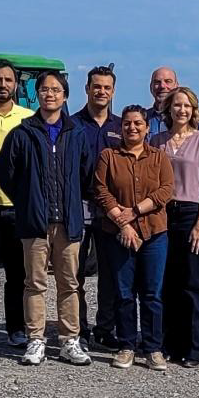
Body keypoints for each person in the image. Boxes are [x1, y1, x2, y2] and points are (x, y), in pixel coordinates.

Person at [0, 70, 94, 367]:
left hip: (69, 221)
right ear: (37, 94)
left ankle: (69, 340)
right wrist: (26, 200)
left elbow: (87, 174)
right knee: (34, 283)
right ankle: (36, 339)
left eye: (55, 90)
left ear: (64, 96)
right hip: (34, 223)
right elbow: (5, 172)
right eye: (44, 90)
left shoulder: (76, 134)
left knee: (69, 284)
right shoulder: (23, 132)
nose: (49, 94)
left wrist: (75, 201)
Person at [93, 105, 174, 370]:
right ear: (120, 127)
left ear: (147, 127)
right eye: (127, 123)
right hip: (118, 234)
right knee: (124, 293)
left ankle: (153, 348)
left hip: (154, 233)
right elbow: (102, 191)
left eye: (138, 123)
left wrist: (136, 211)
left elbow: (166, 190)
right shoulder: (108, 156)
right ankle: (126, 345)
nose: (132, 128)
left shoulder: (159, 157)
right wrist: (123, 223)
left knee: (152, 294)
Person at [153, 87, 199, 367]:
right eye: (177, 105)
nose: (182, 110)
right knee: (166, 281)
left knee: (193, 282)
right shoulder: (157, 141)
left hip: (192, 213)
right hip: (164, 212)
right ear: (168, 110)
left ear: (194, 110)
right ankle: (167, 342)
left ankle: (194, 347)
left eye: (187, 106)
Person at [0, 59, 35, 348]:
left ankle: (16, 327)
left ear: (16, 85)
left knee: (17, 273)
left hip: (16, 205)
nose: (3, 85)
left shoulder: (29, 117)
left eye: (8, 80)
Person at [72, 65, 122, 350]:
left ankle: (106, 326)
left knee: (110, 271)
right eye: (97, 86)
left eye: (106, 87)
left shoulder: (120, 126)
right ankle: (79, 328)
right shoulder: (73, 124)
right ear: (87, 89)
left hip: (111, 209)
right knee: (75, 272)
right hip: (78, 205)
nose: (101, 91)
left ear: (113, 91)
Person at [146, 67, 178, 138]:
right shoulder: (142, 119)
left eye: (168, 81)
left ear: (176, 86)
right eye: (157, 82)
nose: (162, 86)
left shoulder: (190, 120)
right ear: (151, 87)